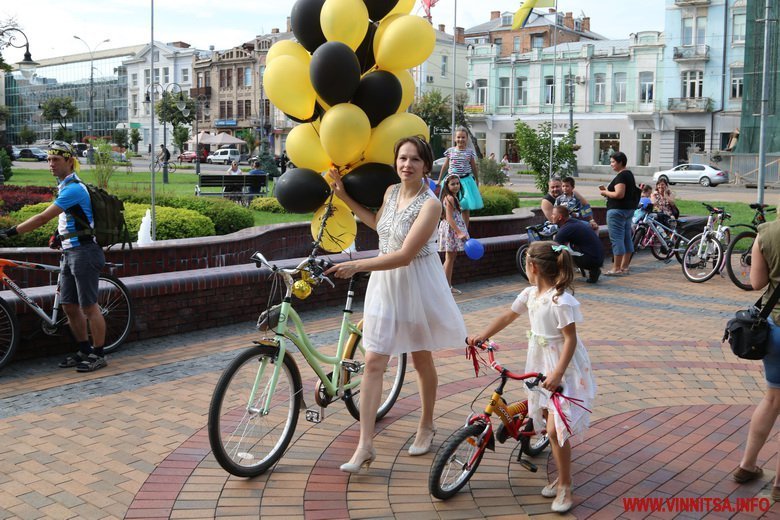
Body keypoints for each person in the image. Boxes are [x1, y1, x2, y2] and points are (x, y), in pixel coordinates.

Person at [325, 136, 467, 473]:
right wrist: (344, 197)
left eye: (414, 160)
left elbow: (404, 255)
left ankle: (427, 423)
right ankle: (365, 446)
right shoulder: (390, 192)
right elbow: (381, 228)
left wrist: (356, 265)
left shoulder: (431, 204)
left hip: (415, 282)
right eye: (402, 158)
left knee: (420, 358)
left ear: (426, 165)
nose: (407, 165)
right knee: (374, 360)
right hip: (384, 282)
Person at [467, 241, 595, 513]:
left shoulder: (560, 301)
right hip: (539, 359)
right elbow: (507, 316)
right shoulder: (529, 295)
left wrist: (558, 372)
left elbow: (570, 340)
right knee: (548, 416)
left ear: (532, 266)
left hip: (562, 364)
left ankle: (565, 485)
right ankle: (561, 476)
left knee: (555, 428)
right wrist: (483, 335)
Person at [0, 141, 107, 372]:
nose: (50, 164)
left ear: (69, 161)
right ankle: (84, 349)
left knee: (89, 307)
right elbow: (69, 219)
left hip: (85, 252)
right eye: (48, 159)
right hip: (70, 252)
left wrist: (9, 232)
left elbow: (41, 217)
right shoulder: (65, 186)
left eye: (55, 159)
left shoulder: (74, 188)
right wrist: (58, 236)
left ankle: (98, 354)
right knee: (69, 305)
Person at [732, 219, 780, 502]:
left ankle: (746, 465)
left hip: (773, 330)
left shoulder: (766, 233)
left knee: (772, 398)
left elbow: (757, 283)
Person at [599, 152, 639, 276]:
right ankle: (624, 267)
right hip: (628, 210)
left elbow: (619, 194)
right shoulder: (629, 174)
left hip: (617, 211)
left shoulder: (621, 176)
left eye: (613, 162)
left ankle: (616, 268)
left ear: (620, 162)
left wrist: (605, 192)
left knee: (617, 239)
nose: (611, 164)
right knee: (627, 238)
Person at [438, 127, 483, 228]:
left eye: (463, 137)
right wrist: (440, 179)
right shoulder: (450, 151)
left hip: (465, 182)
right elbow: (445, 166)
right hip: (451, 181)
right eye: (458, 137)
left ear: (467, 139)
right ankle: (450, 228)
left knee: (465, 207)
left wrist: (477, 179)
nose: (461, 140)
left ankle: (465, 229)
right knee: (449, 204)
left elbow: (473, 166)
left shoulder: (469, 152)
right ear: (455, 138)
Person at [551, 206, 604, 283]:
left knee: (559, 253)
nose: (551, 216)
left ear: (560, 217)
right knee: (568, 249)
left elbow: (554, 249)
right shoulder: (575, 222)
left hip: (590, 259)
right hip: (599, 257)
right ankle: (594, 271)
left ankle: (561, 278)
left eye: (553, 214)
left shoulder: (565, 229)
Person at [438, 174, 469, 294]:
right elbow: (449, 218)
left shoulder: (453, 197)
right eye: (453, 184)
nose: (456, 186)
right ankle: (447, 287)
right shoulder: (450, 198)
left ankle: (443, 284)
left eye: (457, 183)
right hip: (451, 230)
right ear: (447, 185)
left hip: (452, 229)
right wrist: (459, 232)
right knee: (450, 258)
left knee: (450, 258)